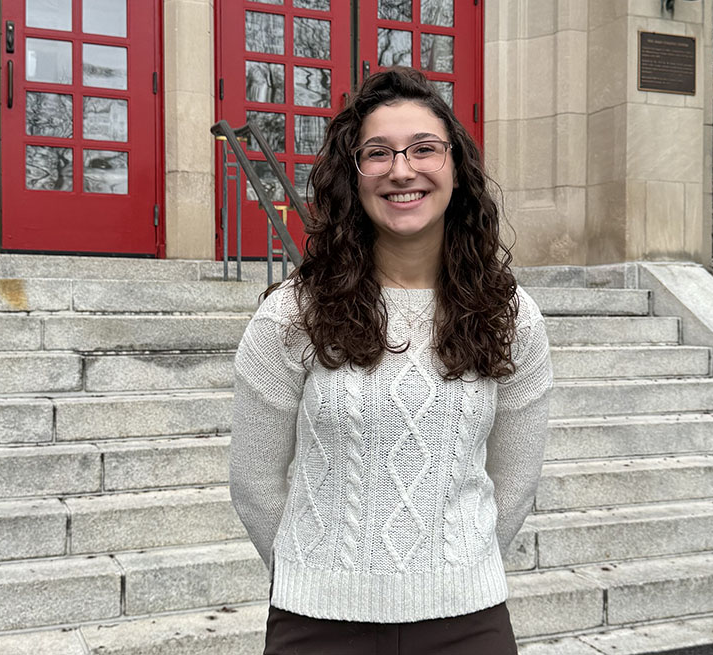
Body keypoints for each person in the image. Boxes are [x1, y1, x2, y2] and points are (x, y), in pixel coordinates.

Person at [228, 67, 553, 654]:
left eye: (424, 149)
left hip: (468, 623)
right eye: (377, 154)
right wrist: (317, 574)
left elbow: (516, 480)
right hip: (317, 624)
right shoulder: (292, 314)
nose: (402, 170)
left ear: (457, 167)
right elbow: (254, 479)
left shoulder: (510, 314)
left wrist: (457, 568)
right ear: (351, 179)